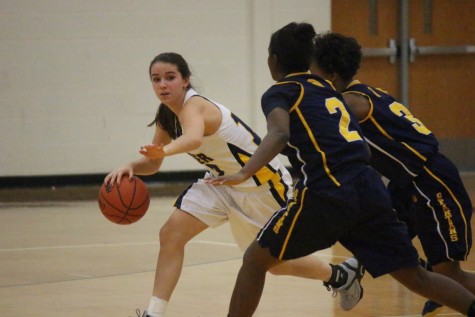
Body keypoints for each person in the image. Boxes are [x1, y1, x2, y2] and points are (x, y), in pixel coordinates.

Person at [205, 22, 475, 317]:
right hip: (369, 188)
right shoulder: (329, 91)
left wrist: (245, 172)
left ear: (273, 60)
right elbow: (360, 147)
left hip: (329, 190)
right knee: (416, 276)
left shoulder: (279, 92)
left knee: (255, 260)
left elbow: (280, 133)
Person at [104, 52, 364, 317]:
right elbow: (153, 163)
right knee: (171, 234)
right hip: (221, 183)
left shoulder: (195, 106)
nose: (163, 85)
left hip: (261, 185)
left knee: (273, 264)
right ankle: (154, 313)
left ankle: (339, 275)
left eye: (170, 77)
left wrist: (164, 150)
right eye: (156, 79)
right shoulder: (166, 115)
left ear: (185, 80)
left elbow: (193, 139)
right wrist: (131, 166)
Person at [311, 31, 475, 317]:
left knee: (450, 273)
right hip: (406, 184)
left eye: (312, 69)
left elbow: (322, 118)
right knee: (380, 231)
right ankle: (356, 268)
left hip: (432, 182)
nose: (308, 75)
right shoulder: (364, 91)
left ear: (332, 74)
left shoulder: (352, 103)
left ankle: (442, 287)